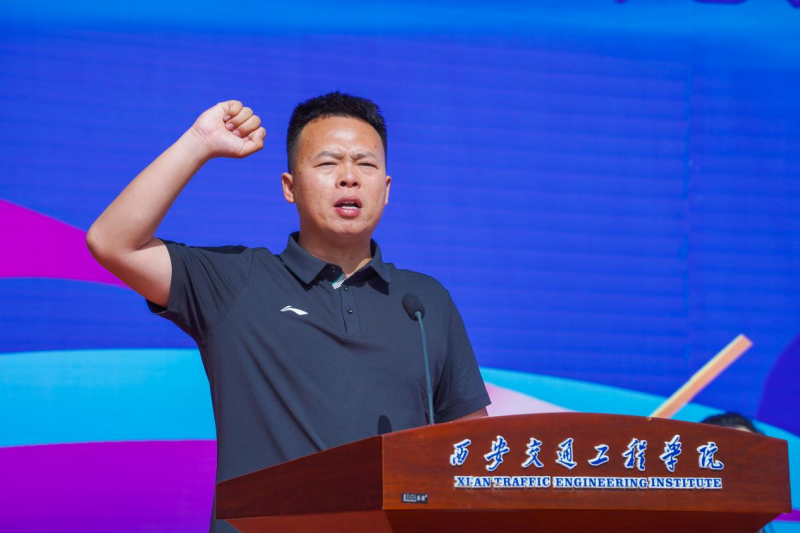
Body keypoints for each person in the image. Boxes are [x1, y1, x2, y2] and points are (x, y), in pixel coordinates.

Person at [86, 92, 491, 532]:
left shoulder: (424, 302)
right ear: (289, 186)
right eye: (328, 163)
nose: (349, 178)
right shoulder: (237, 283)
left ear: (387, 189)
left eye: (366, 164)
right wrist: (199, 142)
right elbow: (113, 243)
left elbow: (473, 458)